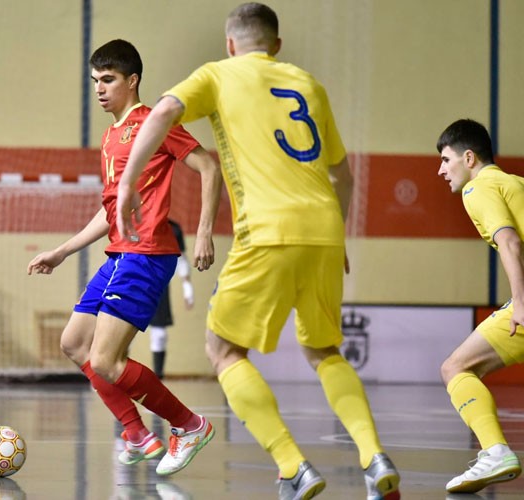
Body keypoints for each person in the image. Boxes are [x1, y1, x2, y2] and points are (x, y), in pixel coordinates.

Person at [116, 4, 400, 499]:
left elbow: (161, 112)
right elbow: (343, 176)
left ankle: (292, 466)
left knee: (223, 350)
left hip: (267, 229)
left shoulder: (219, 75)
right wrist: (338, 238)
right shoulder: (309, 85)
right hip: (326, 230)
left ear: (230, 44)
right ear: (277, 45)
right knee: (324, 351)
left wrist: (125, 186)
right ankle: (374, 457)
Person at [27, 39, 222, 476]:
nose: (99, 89)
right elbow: (111, 209)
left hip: (147, 253)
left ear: (131, 80)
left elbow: (209, 168)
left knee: (106, 361)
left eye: (108, 80)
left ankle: (189, 426)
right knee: (74, 344)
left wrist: (204, 232)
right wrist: (62, 251)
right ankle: (137, 434)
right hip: (119, 254)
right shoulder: (111, 135)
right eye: (95, 80)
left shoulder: (154, 123)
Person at [436, 118, 522, 493]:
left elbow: (510, 243)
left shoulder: (479, 189)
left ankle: (495, 451)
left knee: (456, 367)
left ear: (469, 157)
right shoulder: (515, 183)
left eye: (445, 159)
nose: (440, 169)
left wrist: (520, 302)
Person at [148, 219, 194, 379]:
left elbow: (181, 259)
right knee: (120, 332)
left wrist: (188, 289)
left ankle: (157, 376)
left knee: (159, 334)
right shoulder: (132, 221)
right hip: (130, 281)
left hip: (158, 285)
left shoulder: (173, 229)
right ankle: (110, 373)